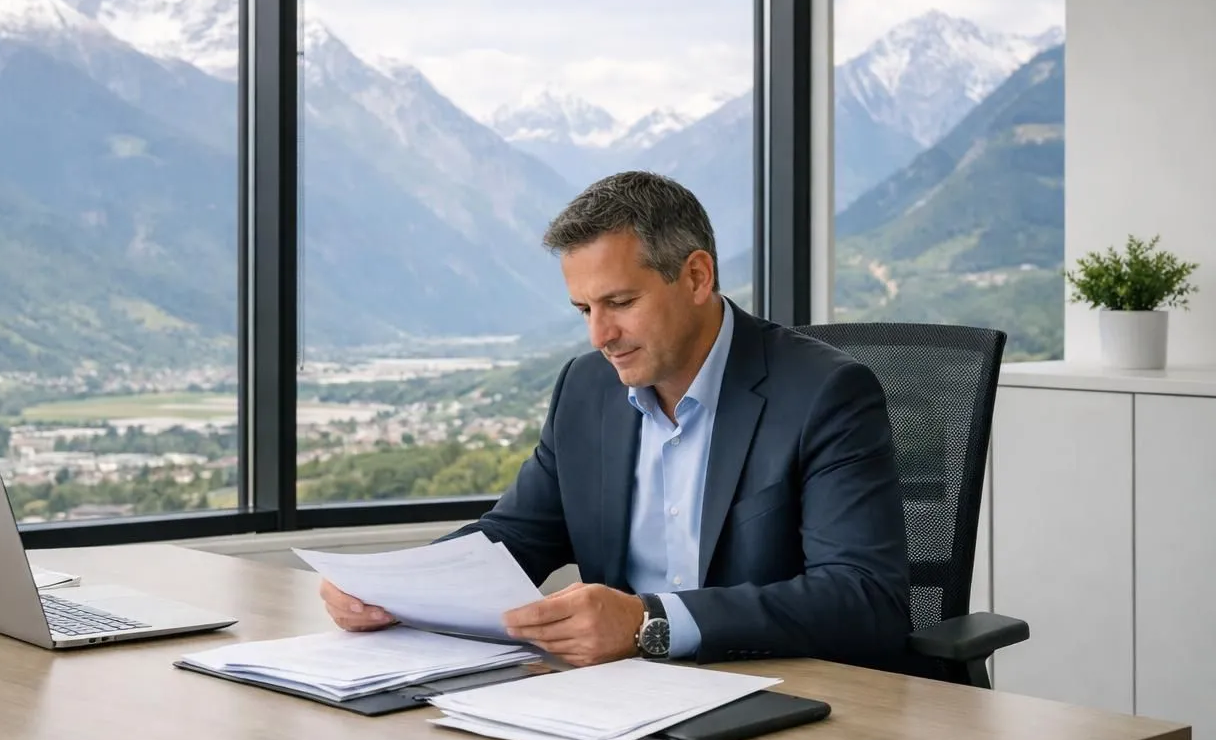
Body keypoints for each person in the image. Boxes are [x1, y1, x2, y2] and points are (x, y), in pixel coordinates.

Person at [319, 170, 911, 670]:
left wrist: (647, 621)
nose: (600, 336)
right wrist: (390, 588)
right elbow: (517, 536)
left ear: (697, 277)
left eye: (621, 303)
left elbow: (863, 599)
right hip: (625, 703)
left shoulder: (824, 393)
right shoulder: (587, 389)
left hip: (787, 695)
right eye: (584, 309)